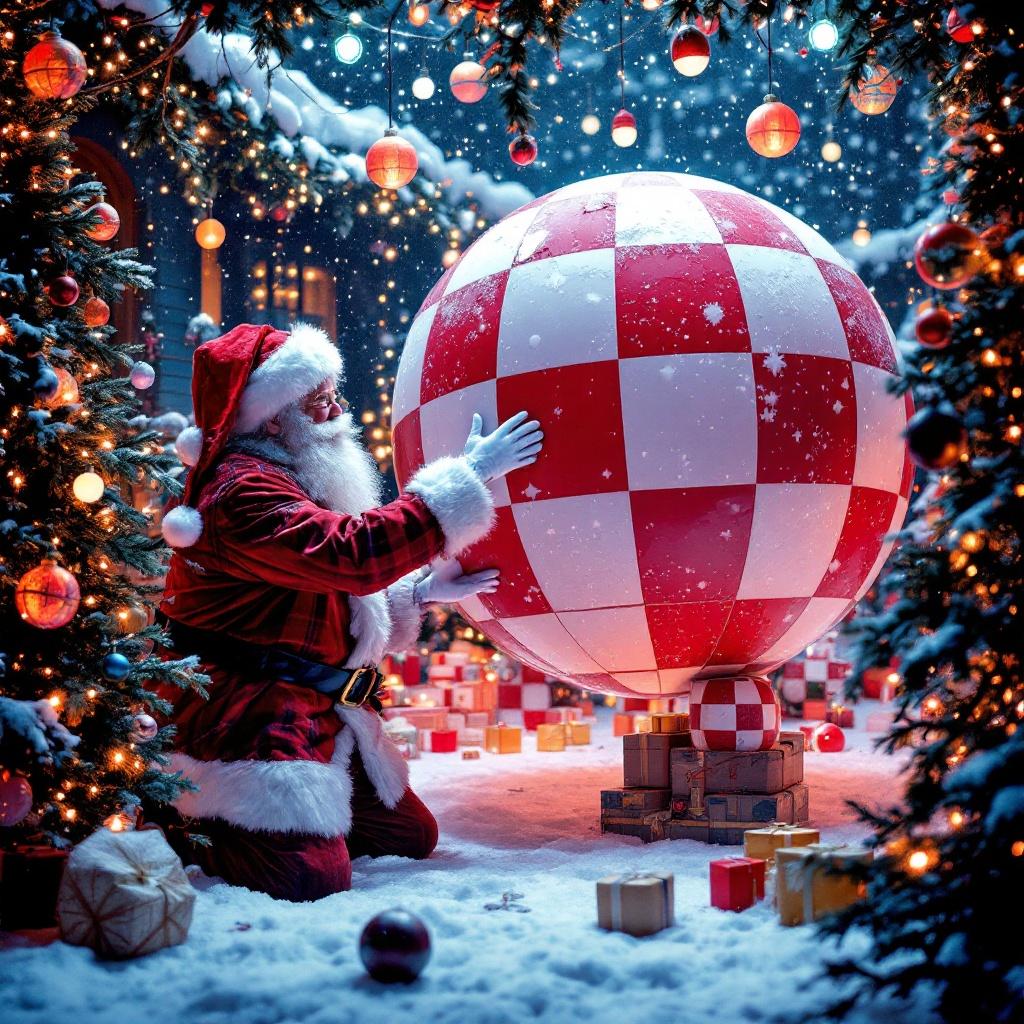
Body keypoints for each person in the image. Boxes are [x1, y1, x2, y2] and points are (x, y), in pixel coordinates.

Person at [153, 322, 543, 901]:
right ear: (275, 416)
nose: (337, 412)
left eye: (334, 394)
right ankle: (186, 821)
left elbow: (318, 591)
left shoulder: (288, 475)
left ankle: (307, 819)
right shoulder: (239, 493)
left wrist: (420, 594)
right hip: (246, 716)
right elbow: (348, 554)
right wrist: (468, 477)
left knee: (409, 835)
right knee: (308, 877)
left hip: (316, 709)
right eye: (319, 401)